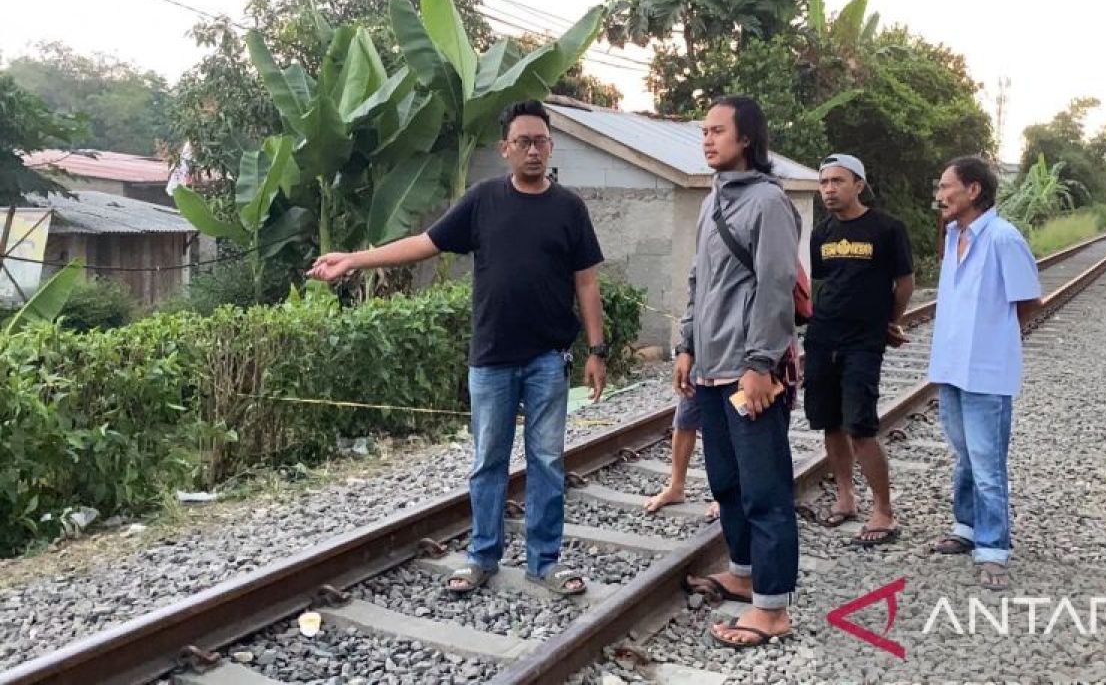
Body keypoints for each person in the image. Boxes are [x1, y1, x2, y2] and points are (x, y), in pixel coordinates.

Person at [308, 100, 608, 597]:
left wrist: (597, 351)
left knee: (548, 461)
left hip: (547, 359)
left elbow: (587, 283)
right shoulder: (483, 200)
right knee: (488, 461)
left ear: (550, 147)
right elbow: (425, 243)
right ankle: (481, 557)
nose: (533, 151)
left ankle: (545, 561)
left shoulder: (569, 208)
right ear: (505, 149)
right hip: (491, 358)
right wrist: (354, 260)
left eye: (541, 142)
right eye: (523, 142)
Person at [673, 95, 800, 648]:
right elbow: (699, 282)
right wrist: (684, 344)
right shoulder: (712, 200)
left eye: (718, 131)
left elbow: (775, 288)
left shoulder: (769, 203)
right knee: (726, 483)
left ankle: (772, 609)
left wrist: (759, 364)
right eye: (703, 130)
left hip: (749, 373)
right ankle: (743, 573)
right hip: (709, 369)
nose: (707, 139)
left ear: (746, 138)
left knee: (765, 491)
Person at [927, 156, 1042, 591]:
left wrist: (997, 341)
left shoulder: (1002, 238)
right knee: (964, 456)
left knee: (988, 462)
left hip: (987, 371)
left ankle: (994, 547)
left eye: (945, 187)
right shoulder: (954, 234)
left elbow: (1029, 300)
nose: (940, 195)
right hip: (951, 366)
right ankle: (967, 528)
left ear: (973, 190)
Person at [803, 154, 914, 545]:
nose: (829, 190)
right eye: (824, 183)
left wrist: (889, 321)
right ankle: (846, 498)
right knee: (830, 423)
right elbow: (822, 282)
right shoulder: (821, 233)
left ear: (859, 185)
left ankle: (883, 509)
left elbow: (904, 281)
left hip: (863, 342)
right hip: (822, 338)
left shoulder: (887, 229)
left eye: (838, 181)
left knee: (861, 426)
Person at [643, 395, 719, 520]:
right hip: (696, 376)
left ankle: (726, 497)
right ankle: (675, 487)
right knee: (684, 419)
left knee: (720, 424)